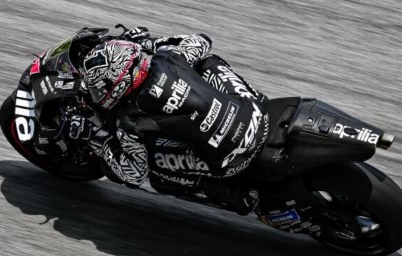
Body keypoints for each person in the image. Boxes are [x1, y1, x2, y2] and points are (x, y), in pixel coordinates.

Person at [67, 26, 270, 214]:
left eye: (99, 87)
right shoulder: (167, 57)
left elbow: (134, 174)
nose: (97, 93)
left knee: (155, 167)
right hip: (257, 113)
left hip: (231, 160)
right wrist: (149, 43)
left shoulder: (129, 120)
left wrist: (96, 138)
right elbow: (202, 40)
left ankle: (231, 193)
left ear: (118, 84)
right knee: (207, 62)